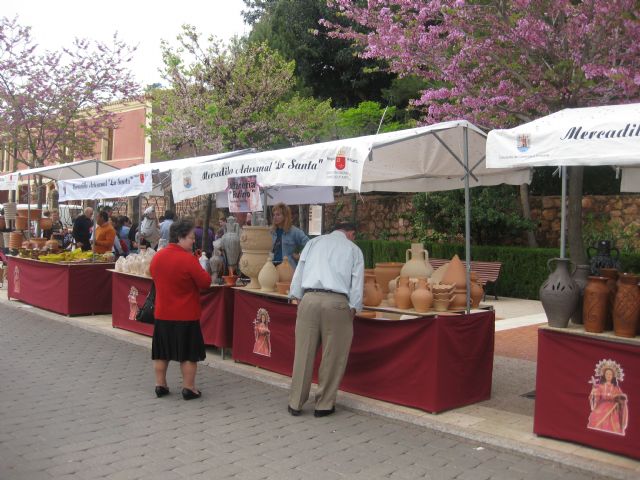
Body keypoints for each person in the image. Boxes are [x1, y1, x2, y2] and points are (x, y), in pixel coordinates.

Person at [287, 222, 364, 417]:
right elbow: (357, 284)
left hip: (309, 299)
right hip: (337, 302)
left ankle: (295, 402)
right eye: (354, 235)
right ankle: (323, 405)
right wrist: (353, 308)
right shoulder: (354, 250)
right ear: (350, 232)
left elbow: (300, 270)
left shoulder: (314, 243)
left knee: (303, 353)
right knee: (333, 356)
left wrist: (296, 296)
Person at [150, 219, 212, 400]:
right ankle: (188, 387)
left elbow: (152, 275)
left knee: (161, 352)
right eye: (191, 237)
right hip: (186, 314)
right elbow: (205, 282)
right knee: (188, 354)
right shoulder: (188, 259)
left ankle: (160, 384)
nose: (193, 241)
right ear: (180, 237)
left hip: (163, 313)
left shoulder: (158, 257)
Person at [587, 362, 629, 435]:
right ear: (604, 375)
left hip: (613, 409)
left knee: (614, 424)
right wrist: (594, 392)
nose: (608, 375)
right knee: (594, 417)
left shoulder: (616, 388)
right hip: (601, 407)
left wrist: (621, 398)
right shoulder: (600, 386)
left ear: (613, 376)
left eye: (610, 374)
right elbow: (597, 397)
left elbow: (620, 398)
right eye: (607, 374)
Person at [270, 202, 309, 268]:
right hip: (271, 267)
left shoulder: (294, 231)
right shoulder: (271, 231)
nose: (275, 217)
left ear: (285, 216)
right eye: (274, 215)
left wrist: (299, 255)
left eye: (278, 215)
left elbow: (309, 243)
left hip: (288, 268)